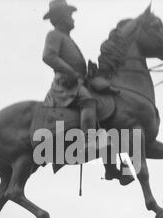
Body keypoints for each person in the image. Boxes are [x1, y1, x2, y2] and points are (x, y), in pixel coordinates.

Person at [42, 0, 97, 148]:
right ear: (61, 17)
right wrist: (70, 72)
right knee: (88, 99)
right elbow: (49, 56)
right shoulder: (54, 35)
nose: (72, 18)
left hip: (76, 82)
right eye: (69, 15)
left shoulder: (67, 38)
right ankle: (87, 141)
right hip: (65, 83)